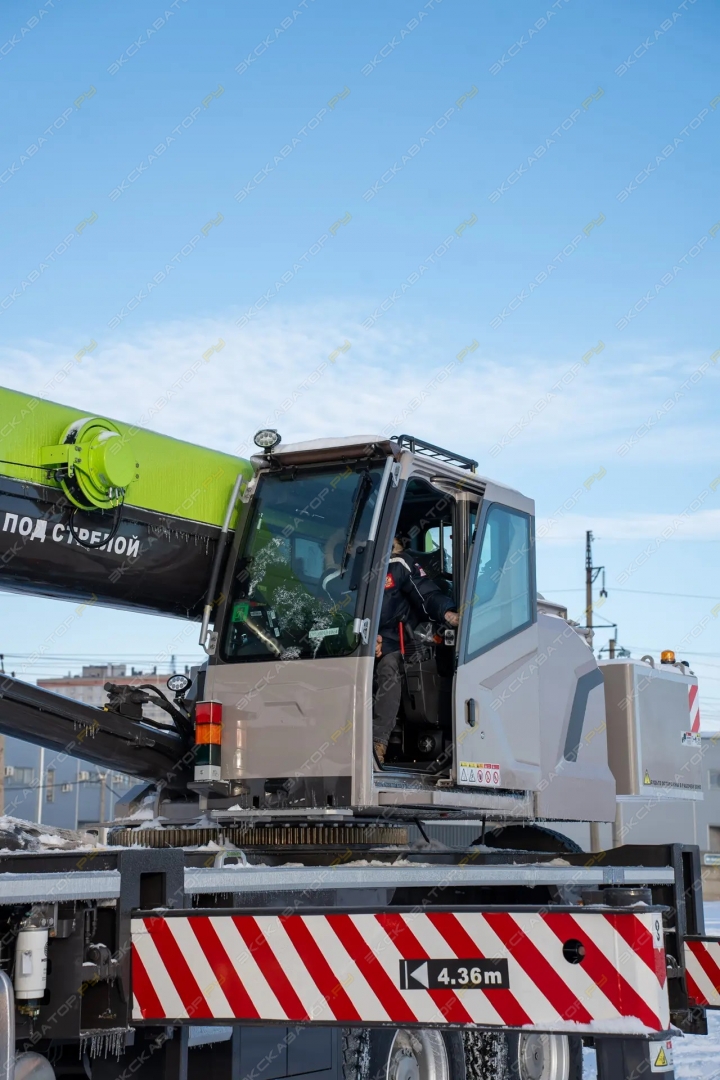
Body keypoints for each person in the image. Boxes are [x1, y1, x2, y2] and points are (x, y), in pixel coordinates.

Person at [373, 535, 459, 764]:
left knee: (389, 667)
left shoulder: (399, 564)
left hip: (396, 640)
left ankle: (377, 742)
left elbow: (426, 594)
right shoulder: (341, 574)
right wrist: (364, 638)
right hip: (355, 643)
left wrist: (447, 613)